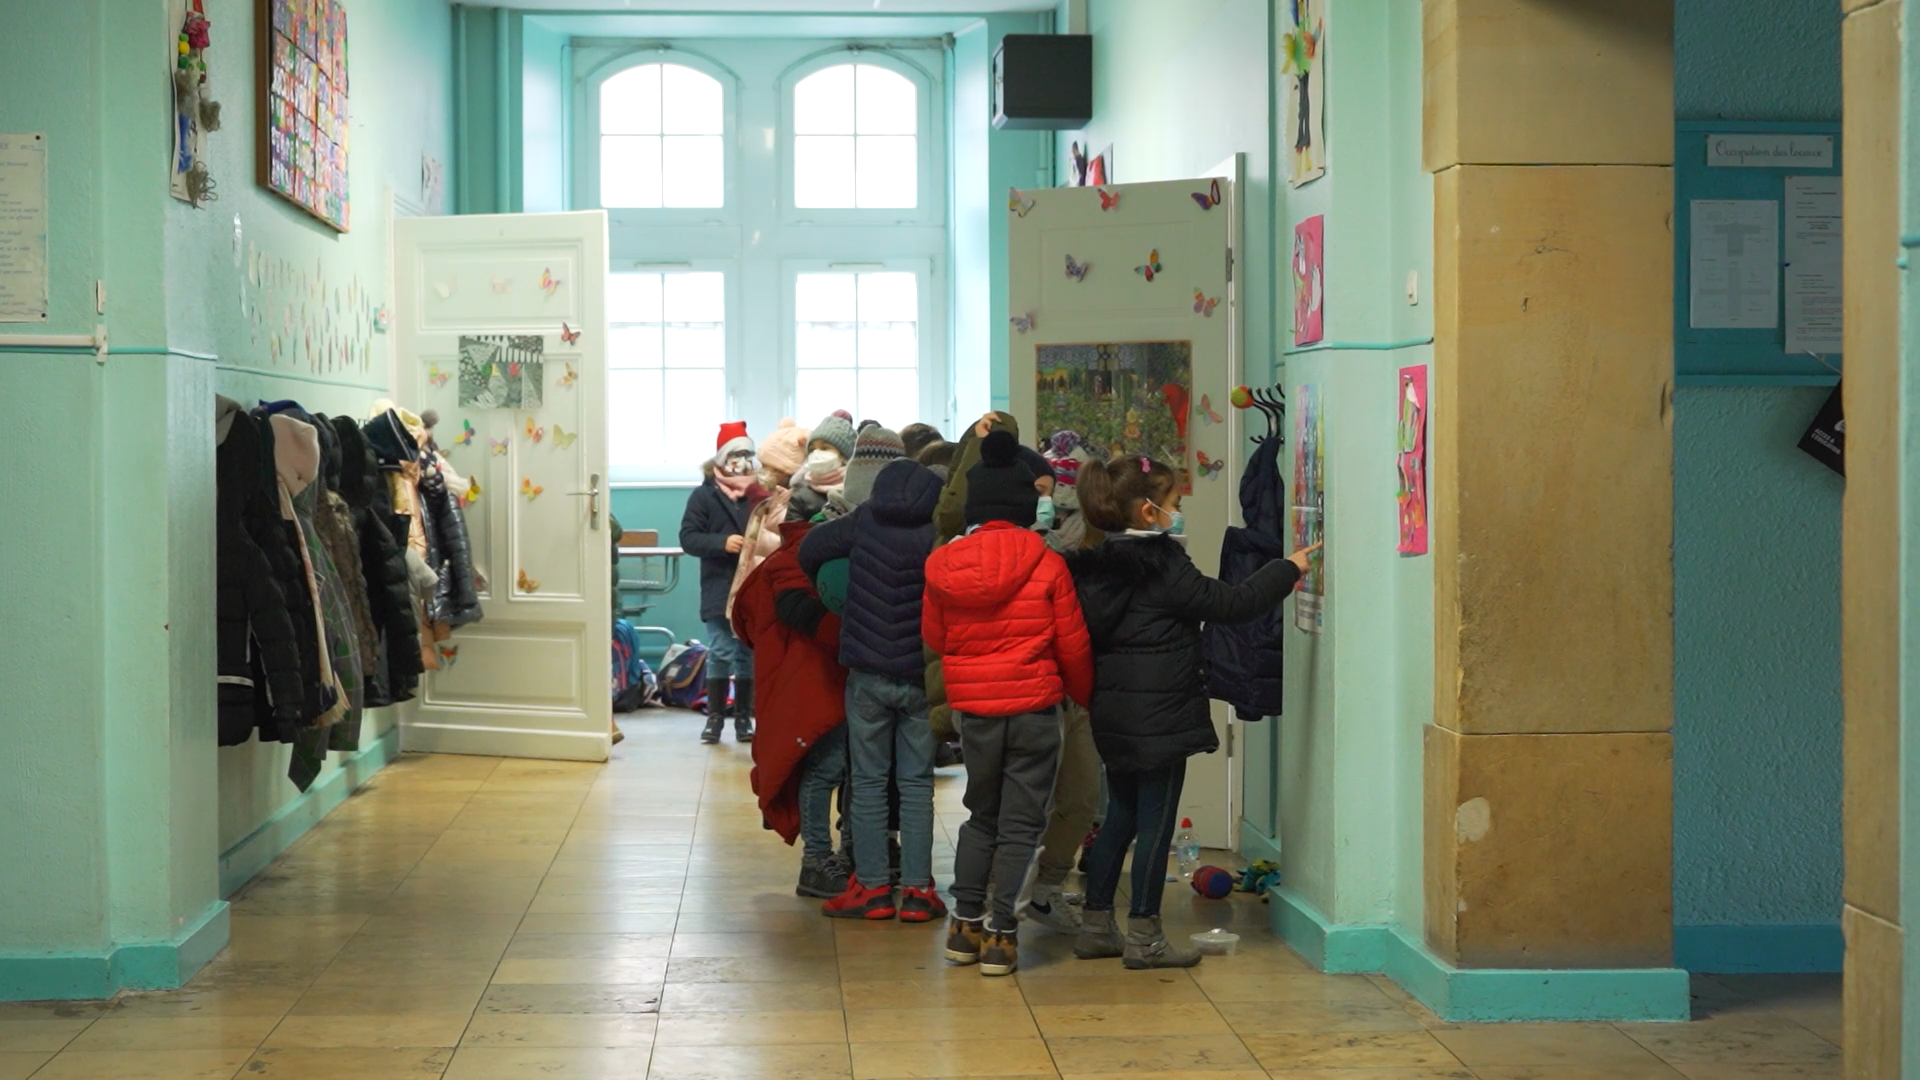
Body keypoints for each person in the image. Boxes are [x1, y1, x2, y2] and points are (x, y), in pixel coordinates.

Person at [1067, 455, 1317, 968]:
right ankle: (1145, 938)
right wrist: (1288, 568)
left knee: (1121, 816)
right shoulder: (1161, 564)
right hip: (1161, 711)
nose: (1178, 512)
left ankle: (1097, 926)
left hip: (1113, 710)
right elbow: (1229, 604)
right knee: (1156, 824)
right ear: (1147, 509)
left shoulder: (1094, 566)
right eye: (1175, 503)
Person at [925, 431, 1094, 977]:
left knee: (981, 817)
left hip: (975, 710)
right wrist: (1081, 698)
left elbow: (935, 636)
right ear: (1026, 506)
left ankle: (963, 926)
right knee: (1024, 826)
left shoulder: (944, 565)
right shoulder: (1047, 563)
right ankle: (1001, 936)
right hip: (1035, 707)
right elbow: (1072, 644)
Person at [799, 451, 946, 922]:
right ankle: (920, 892)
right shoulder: (938, 533)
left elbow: (809, 551)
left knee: (865, 782)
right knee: (917, 785)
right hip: (920, 676)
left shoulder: (863, 522)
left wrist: (837, 588)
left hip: (867, 673)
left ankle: (873, 889)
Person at [731, 517, 852, 899]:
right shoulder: (807, 556)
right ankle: (819, 859)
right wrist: (853, 640)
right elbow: (798, 610)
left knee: (842, 766)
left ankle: (844, 855)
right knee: (828, 767)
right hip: (820, 677)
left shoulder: (795, 554)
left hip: (817, 676)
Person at [679, 421, 766, 745]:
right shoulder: (703, 496)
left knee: (745, 652)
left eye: (748, 454)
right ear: (722, 458)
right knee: (720, 650)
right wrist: (721, 543)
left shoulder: (760, 495)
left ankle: (743, 718)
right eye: (736, 454)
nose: (742, 460)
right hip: (718, 586)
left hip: (750, 587)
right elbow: (688, 537)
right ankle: (715, 718)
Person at [789, 411, 855, 522]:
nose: (816, 453)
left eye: (825, 448)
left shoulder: (858, 494)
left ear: (844, 456)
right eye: (812, 450)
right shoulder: (799, 498)